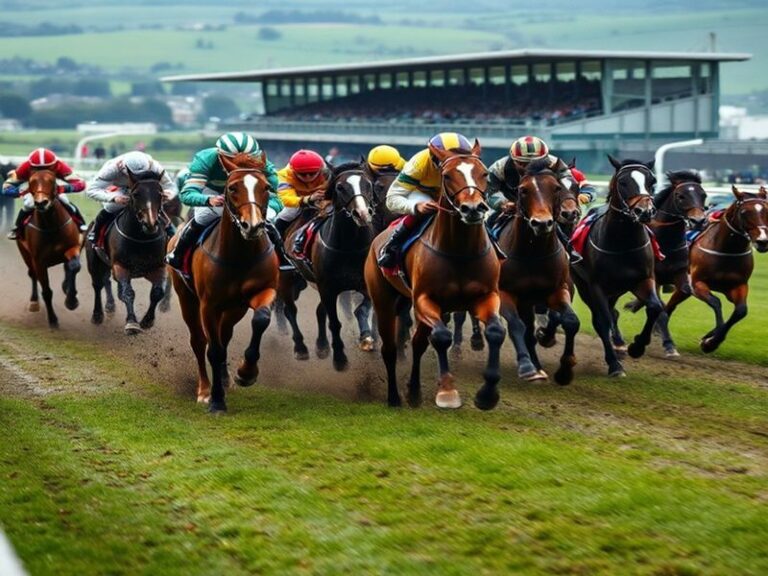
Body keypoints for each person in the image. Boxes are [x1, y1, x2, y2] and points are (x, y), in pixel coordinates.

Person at [166, 132, 284, 272]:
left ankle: (283, 257)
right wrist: (208, 200)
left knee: (266, 219)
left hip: (246, 195)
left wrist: (268, 211)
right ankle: (178, 253)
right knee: (203, 216)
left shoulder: (261, 163)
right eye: (231, 160)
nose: (239, 165)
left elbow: (279, 195)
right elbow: (186, 194)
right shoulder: (205, 159)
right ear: (220, 155)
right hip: (213, 193)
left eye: (248, 160)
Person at [376, 132, 474, 269]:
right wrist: (415, 206)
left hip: (451, 194)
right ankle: (391, 248)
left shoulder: (472, 165)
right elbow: (392, 199)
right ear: (434, 157)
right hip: (423, 194)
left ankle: (495, 246)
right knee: (427, 211)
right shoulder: (418, 163)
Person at [485, 135, 584, 262]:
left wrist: (566, 202)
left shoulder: (555, 163)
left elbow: (568, 183)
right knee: (489, 221)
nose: (528, 167)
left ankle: (570, 250)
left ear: (545, 159)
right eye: (522, 163)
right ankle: (489, 253)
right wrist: (503, 204)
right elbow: (489, 190)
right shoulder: (499, 167)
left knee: (564, 221)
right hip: (511, 205)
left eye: (534, 163)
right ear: (513, 159)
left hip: (544, 205)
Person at [85, 151, 178, 251]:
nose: (138, 178)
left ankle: (171, 233)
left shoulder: (155, 167)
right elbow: (91, 190)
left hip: (145, 189)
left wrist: (169, 194)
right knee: (112, 206)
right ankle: (96, 232)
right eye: (136, 176)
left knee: (153, 204)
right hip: (120, 188)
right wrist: (113, 198)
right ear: (125, 169)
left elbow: (171, 187)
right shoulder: (112, 169)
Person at [2, 148, 87, 240]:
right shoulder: (25, 167)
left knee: (64, 200)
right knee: (29, 204)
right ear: (31, 165)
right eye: (37, 169)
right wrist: (20, 192)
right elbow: (6, 186)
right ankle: (18, 228)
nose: (42, 171)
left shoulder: (60, 165)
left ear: (53, 165)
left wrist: (63, 188)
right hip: (33, 189)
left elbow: (81, 184)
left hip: (51, 188)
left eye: (47, 168)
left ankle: (80, 223)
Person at [273, 149, 333, 262]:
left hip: (323, 200)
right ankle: (276, 244)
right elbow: (286, 198)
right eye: (302, 174)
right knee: (288, 213)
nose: (308, 177)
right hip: (298, 200)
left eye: (313, 173)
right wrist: (308, 199)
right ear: (293, 171)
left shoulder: (328, 172)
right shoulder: (283, 176)